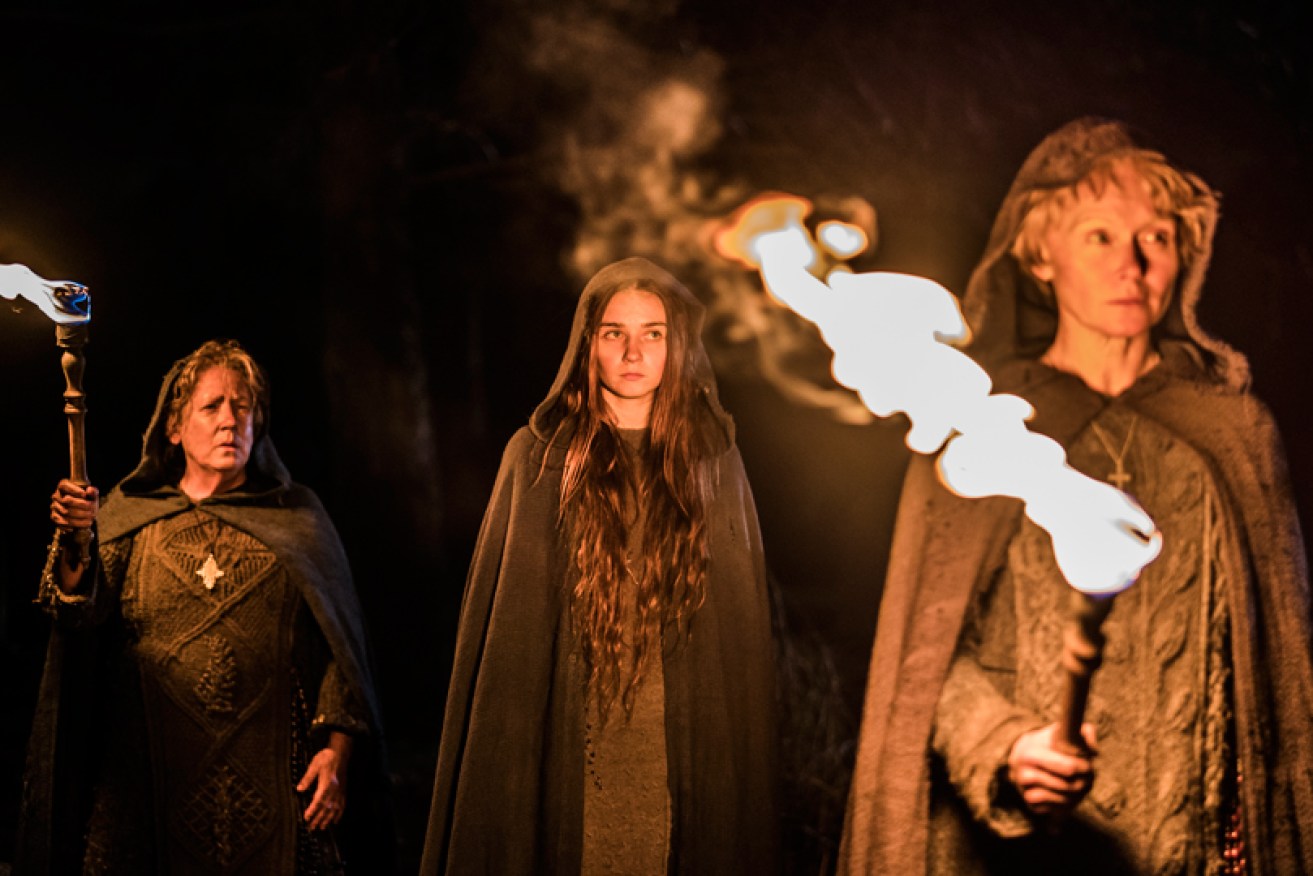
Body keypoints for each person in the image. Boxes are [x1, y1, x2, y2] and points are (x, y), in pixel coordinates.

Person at [839, 118, 1313, 875]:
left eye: (1155, 237)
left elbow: (1272, 692)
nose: (1131, 263)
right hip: (1013, 856)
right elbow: (925, 664)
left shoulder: (1234, 436)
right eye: (1097, 236)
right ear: (1038, 254)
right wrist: (1004, 748)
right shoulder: (979, 428)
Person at [420, 257, 777, 874]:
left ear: (677, 345)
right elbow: (508, 656)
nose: (634, 351)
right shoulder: (538, 459)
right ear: (588, 344)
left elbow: (737, 655)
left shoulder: (713, 462)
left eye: (653, 333)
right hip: (571, 749)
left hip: (681, 749)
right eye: (615, 332)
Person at [18, 339, 391, 874]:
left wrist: (337, 751)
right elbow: (78, 612)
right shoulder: (130, 520)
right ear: (174, 428)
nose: (230, 421)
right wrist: (78, 539)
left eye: (243, 406)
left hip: (274, 803)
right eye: (212, 406)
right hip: (148, 801)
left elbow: (340, 650)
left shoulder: (298, 522)